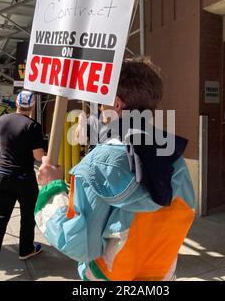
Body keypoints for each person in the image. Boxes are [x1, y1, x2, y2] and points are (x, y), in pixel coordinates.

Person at [35, 58, 196, 281]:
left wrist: (51, 189)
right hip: (161, 274)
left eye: (102, 102)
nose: (101, 110)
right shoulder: (173, 155)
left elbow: (78, 243)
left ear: (117, 104)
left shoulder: (95, 165)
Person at [0, 90, 45, 281]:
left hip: (2, 176)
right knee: (27, 215)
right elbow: (38, 156)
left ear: (16, 103)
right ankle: (26, 249)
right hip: (24, 178)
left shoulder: (3, 120)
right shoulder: (33, 126)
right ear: (32, 106)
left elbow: (0, 145)